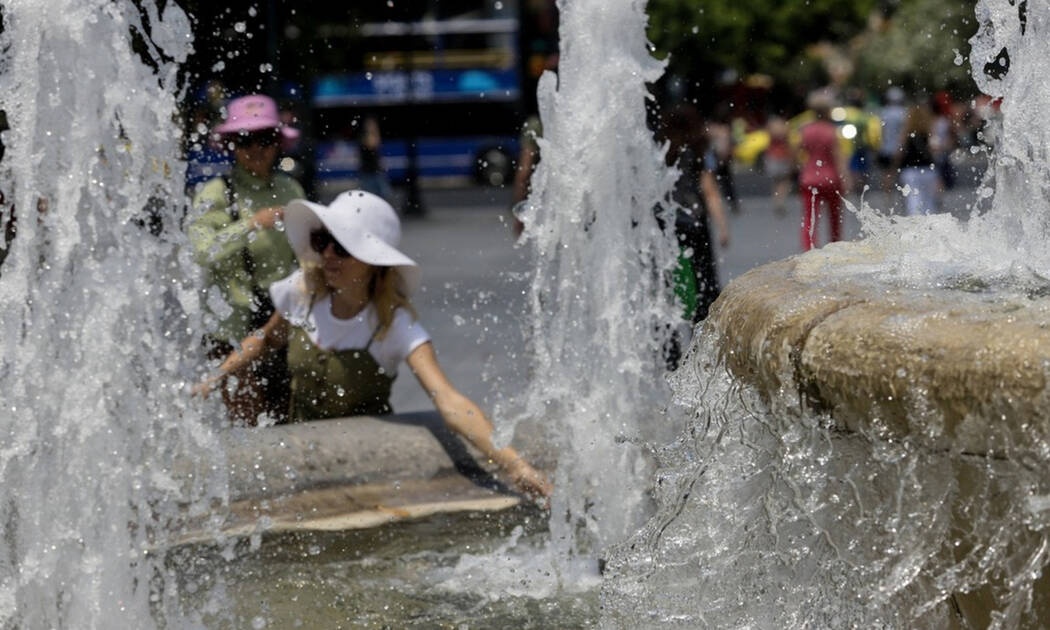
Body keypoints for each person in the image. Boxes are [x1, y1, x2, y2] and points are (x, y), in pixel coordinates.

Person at [192, 190, 553, 500]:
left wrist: (516, 466)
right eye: (321, 241)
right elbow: (265, 340)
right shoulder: (302, 293)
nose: (328, 255)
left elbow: (448, 400)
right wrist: (212, 379)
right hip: (299, 460)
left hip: (365, 469)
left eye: (343, 247)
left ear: (374, 262)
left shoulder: (393, 325)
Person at [188, 94, 305, 426]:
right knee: (248, 423)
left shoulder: (291, 189)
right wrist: (251, 224)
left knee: (289, 417)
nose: (256, 148)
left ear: (277, 143)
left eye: (265, 139)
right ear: (231, 146)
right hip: (233, 331)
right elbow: (202, 251)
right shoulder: (215, 193)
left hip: (283, 324)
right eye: (244, 140)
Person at [795, 89, 850, 252]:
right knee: (834, 218)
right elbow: (838, 157)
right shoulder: (831, 131)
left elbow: (797, 152)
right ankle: (834, 247)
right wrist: (846, 178)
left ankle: (809, 249)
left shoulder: (805, 130)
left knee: (809, 218)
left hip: (809, 178)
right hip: (831, 179)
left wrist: (800, 167)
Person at [895, 101, 941, 216]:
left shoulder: (906, 133)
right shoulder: (929, 132)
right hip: (927, 170)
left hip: (910, 170)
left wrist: (894, 168)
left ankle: (915, 225)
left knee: (913, 200)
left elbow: (899, 153)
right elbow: (935, 150)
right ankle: (930, 227)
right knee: (929, 201)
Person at [356, 115, 393, 203]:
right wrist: (375, 131)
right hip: (369, 172)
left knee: (382, 195)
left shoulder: (370, 136)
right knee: (370, 196)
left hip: (374, 171)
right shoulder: (365, 137)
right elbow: (372, 144)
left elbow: (376, 146)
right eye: (370, 125)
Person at [763, 115, 794, 215]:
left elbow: (767, 139)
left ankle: (776, 201)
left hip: (772, 156)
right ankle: (780, 201)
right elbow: (788, 141)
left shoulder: (770, 126)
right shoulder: (784, 126)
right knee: (784, 181)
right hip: (783, 156)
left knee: (776, 181)